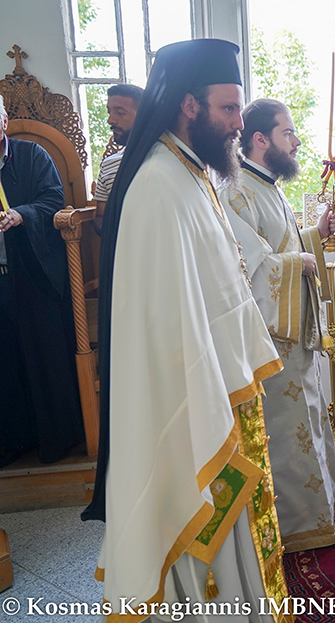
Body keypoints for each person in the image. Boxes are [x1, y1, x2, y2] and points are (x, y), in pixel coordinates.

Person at [81, 39, 293, 620]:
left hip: (223, 390)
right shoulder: (157, 185)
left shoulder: (193, 172)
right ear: (188, 106)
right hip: (190, 405)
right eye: (228, 109)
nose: (236, 123)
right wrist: (207, 389)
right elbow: (161, 320)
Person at [222, 98, 335, 552]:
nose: (295, 142)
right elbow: (249, 267)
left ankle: (320, 509)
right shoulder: (235, 191)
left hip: (293, 332)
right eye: (287, 133)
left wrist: (313, 233)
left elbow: (279, 245)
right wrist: (303, 261)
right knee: (287, 426)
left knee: (308, 417)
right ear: (260, 140)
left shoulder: (266, 185)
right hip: (272, 336)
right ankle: (293, 524)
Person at [0, 93, 84, 467]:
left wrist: (19, 215)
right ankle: (13, 443)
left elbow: (53, 202)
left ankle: (58, 440)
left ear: (3, 122)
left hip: (32, 274)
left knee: (41, 357)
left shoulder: (33, 155)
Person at [92, 83, 143, 233]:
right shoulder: (109, 164)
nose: (110, 120)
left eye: (120, 113)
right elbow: (100, 216)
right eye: (109, 112)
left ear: (143, 116)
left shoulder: (167, 159)